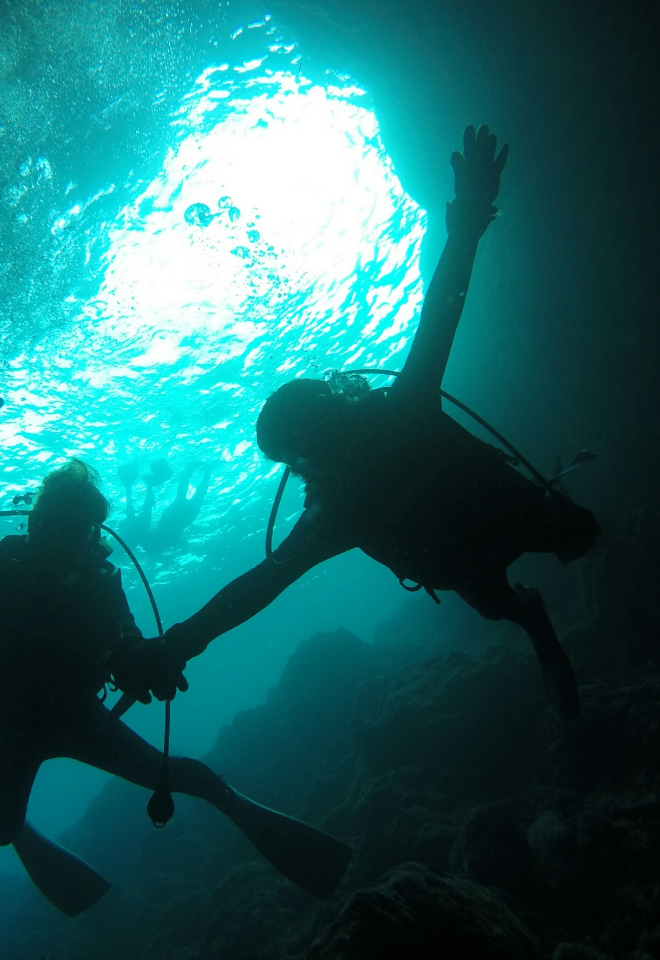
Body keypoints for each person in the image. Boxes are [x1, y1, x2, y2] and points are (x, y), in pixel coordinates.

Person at [111, 125, 598, 720]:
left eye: (305, 449)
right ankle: (533, 619)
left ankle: (535, 594)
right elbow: (257, 588)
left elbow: (441, 312)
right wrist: (177, 644)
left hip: (501, 520)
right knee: (503, 605)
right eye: (301, 455)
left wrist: (469, 219)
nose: (313, 460)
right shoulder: (338, 505)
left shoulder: (395, 424)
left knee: (582, 538)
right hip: (469, 557)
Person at [0, 381, 353, 915]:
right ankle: (15, 831)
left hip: (78, 719)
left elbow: (128, 643)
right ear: (34, 519)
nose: (60, 533)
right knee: (0, 830)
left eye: (76, 524)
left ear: (92, 532)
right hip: (10, 726)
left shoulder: (99, 584)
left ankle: (228, 800)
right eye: (52, 520)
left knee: (177, 776)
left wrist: (151, 667)